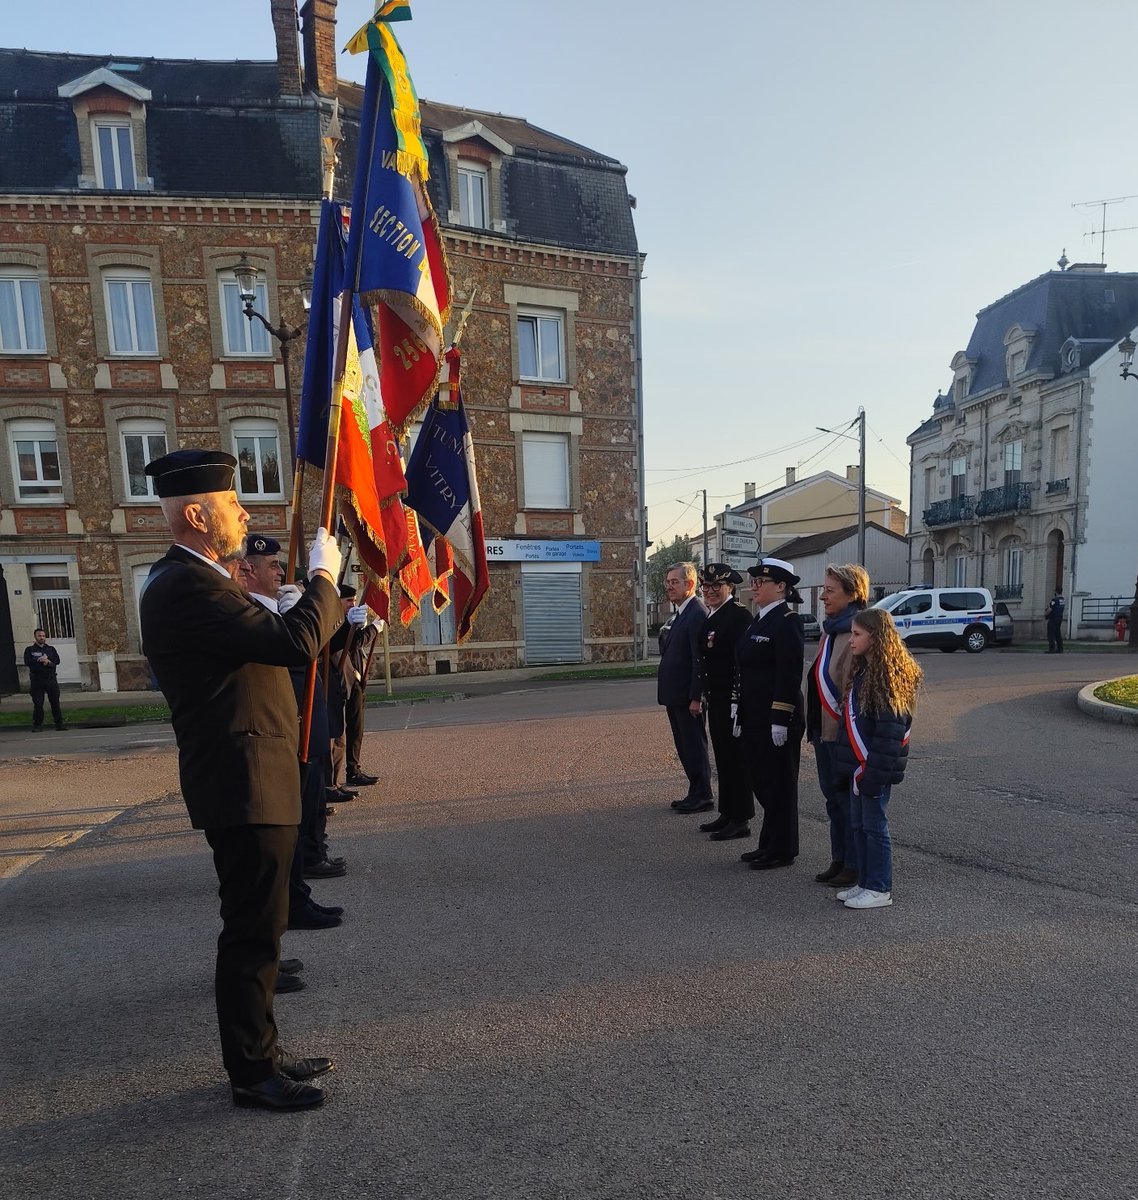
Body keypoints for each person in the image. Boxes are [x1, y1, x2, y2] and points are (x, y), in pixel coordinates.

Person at [139, 449, 344, 1113]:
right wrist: (323, 578)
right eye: (231, 503)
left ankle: (262, 1050)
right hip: (243, 781)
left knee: (262, 926)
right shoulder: (188, 586)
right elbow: (294, 643)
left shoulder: (203, 581)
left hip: (255, 777)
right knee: (252, 934)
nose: (244, 512)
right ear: (197, 514)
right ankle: (252, 1074)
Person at [832, 607, 922, 910]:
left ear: (876, 637)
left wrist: (871, 774)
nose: (850, 640)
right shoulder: (865, 672)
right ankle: (866, 881)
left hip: (874, 768)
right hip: (862, 767)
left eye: (857, 635)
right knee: (859, 826)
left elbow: (889, 735)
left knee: (875, 827)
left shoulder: (892, 678)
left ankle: (880, 887)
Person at [736, 558, 806, 870]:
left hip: (776, 716)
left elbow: (788, 674)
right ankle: (769, 843)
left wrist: (780, 718)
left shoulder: (787, 620)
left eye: (761, 581)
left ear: (781, 587)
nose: (755, 586)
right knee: (762, 780)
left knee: (778, 783)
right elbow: (745, 667)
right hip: (754, 714)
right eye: (753, 580)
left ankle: (782, 848)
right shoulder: (759, 619)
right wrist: (738, 705)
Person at [806, 564, 869, 888]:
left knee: (846, 801)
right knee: (833, 799)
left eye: (830, 590)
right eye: (823, 589)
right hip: (823, 731)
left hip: (843, 734)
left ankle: (853, 864)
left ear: (852, 593)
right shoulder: (831, 629)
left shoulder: (855, 633)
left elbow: (853, 691)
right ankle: (838, 859)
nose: (823, 596)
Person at [695, 563, 754, 841]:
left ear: (730, 587)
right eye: (705, 587)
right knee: (723, 757)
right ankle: (728, 812)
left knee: (736, 759)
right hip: (717, 698)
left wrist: (737, 697)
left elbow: (741, 661)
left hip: (732, 698)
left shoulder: (738, 616)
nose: (710, 591)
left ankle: (740, 818)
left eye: (716, 586)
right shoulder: (713, 615)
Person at [657, 561, 712, 813]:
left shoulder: (697, 613)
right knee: (684, 746)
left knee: (694, 746)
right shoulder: (682, 612)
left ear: (690, 584)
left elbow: (698, 659)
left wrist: (696, 697)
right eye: (668, 582)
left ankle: (703, 795)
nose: (669, 587)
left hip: (687, 697)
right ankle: (695, 791)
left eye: (674, 582)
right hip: (675, 695)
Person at [23, 628, 64, 731]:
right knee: (38, 704)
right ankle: (37, 725)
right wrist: (39, 660)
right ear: (35, 637)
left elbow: (57, 661)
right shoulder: (29, 650)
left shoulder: (51, 649)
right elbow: (28, 662)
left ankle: (59, 725)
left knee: (55, 703)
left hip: (51, 679)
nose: (42, 638)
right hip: (37, 680)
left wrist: (48, 662)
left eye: (43, 636)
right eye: (39, 636)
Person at [1044, 587, 1065, 653]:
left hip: (1053, 619)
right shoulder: (1062, 600)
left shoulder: (1054, 600)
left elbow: (1050, 609)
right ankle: (1060, 648)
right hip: (1059, 618)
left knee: (1051, 634)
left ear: (1056, 592)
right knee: (1058, 633)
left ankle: (1052, 648)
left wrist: (1045, 614)